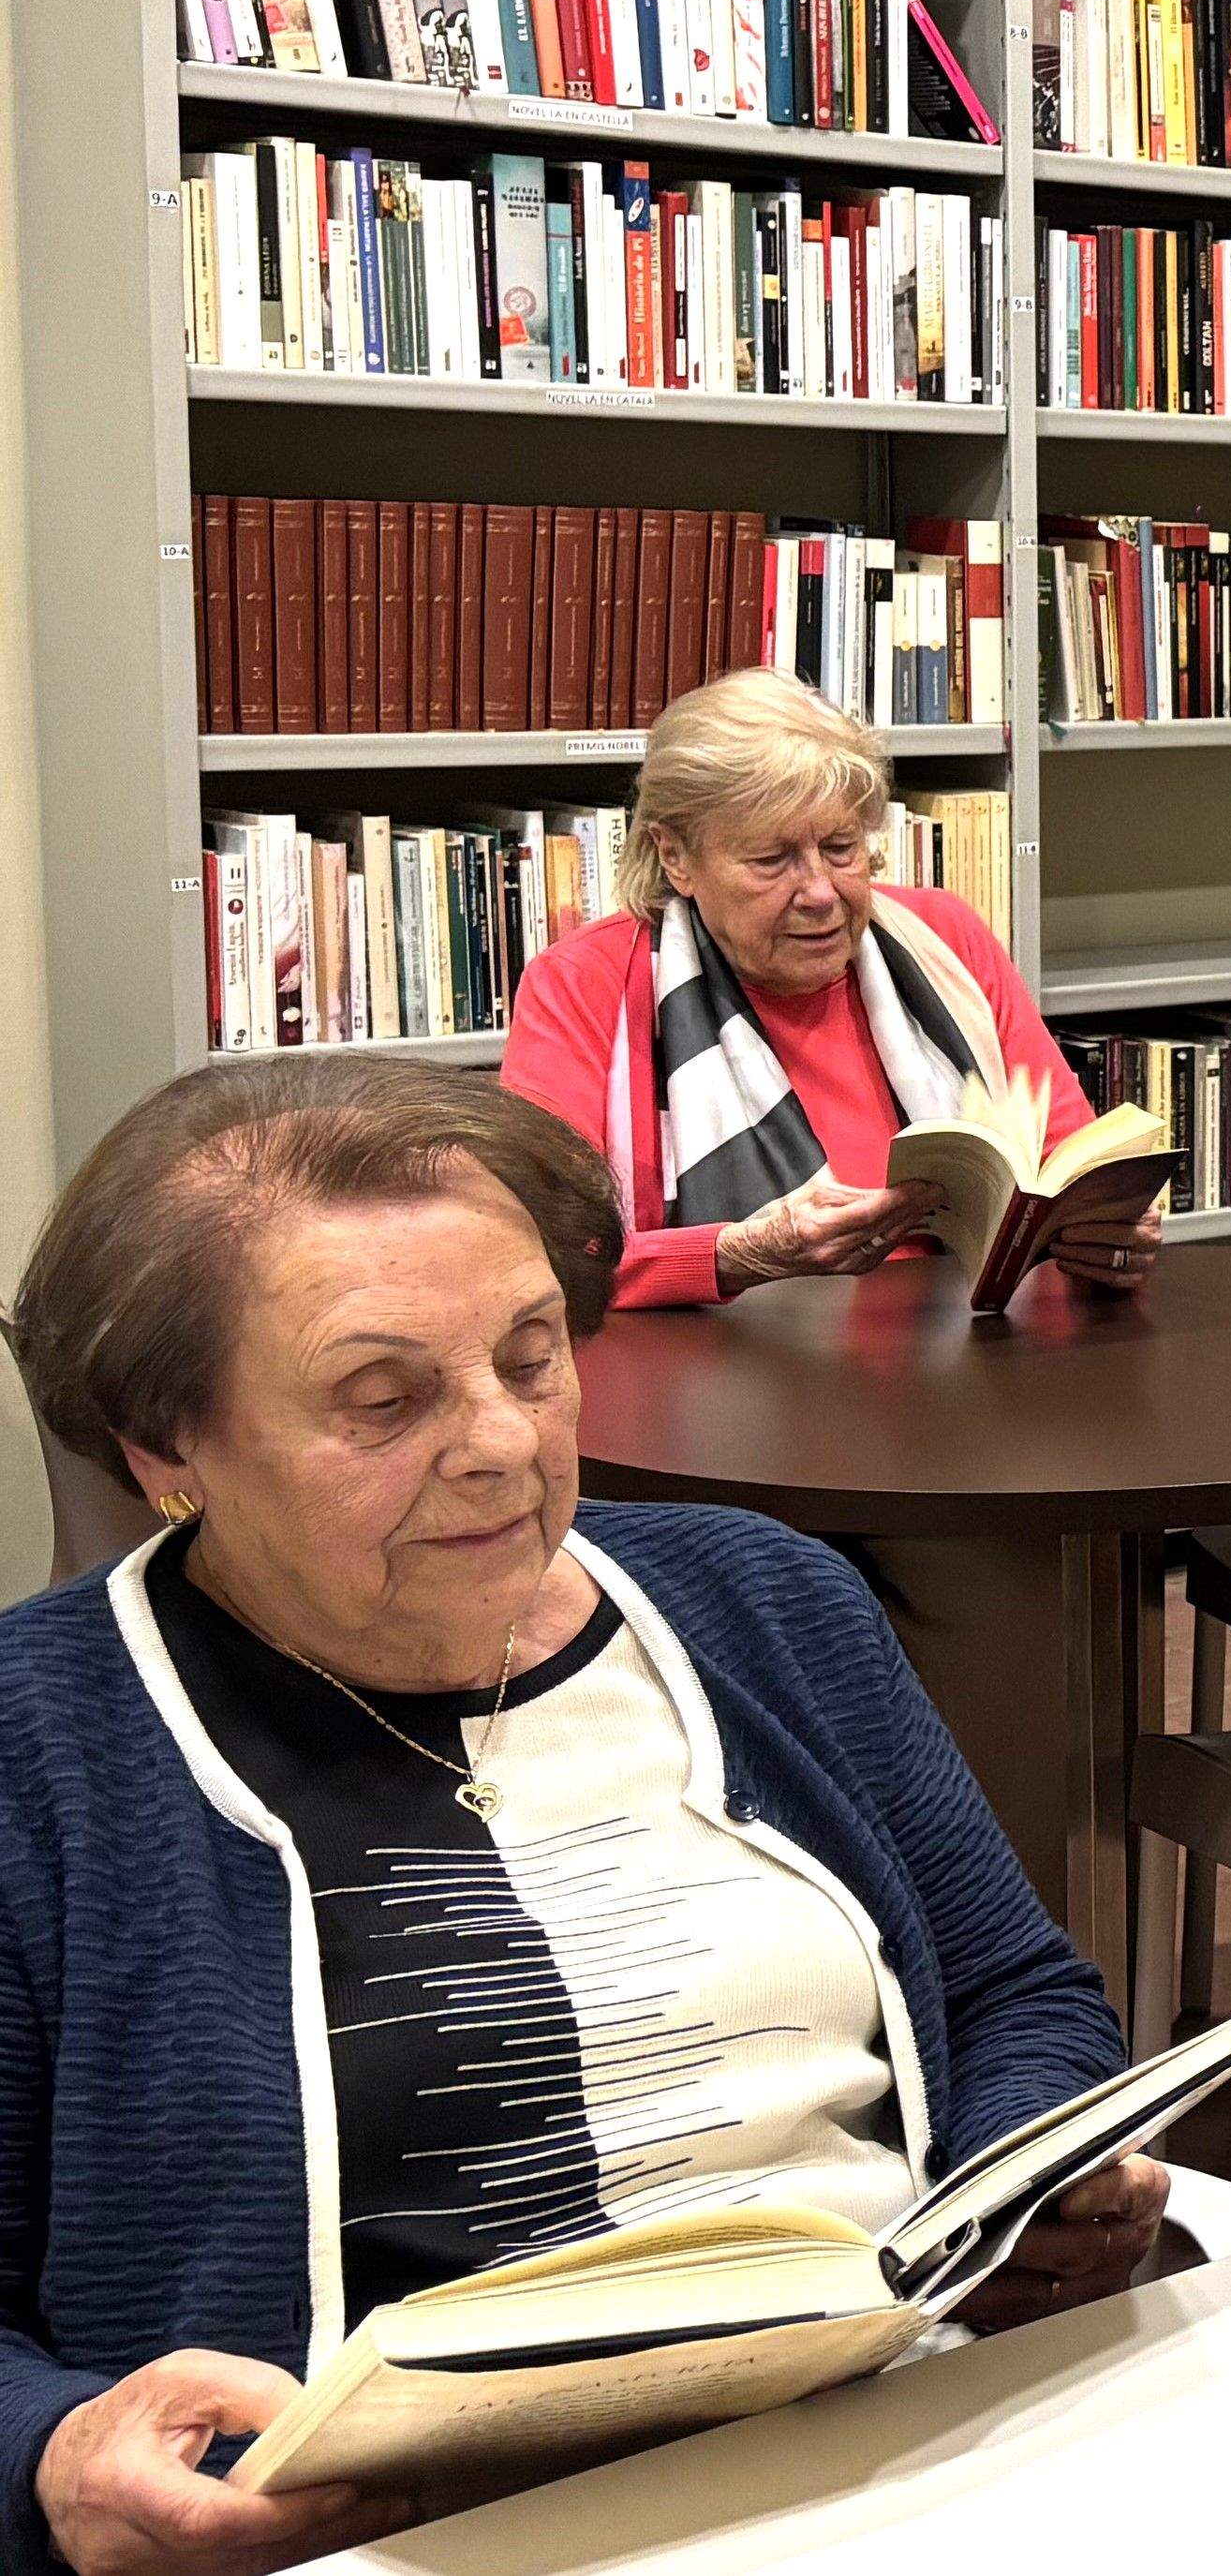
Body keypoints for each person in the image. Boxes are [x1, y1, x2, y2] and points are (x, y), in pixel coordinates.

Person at [0, 1058, 1169, 2576]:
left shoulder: (763, 1597)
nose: (499, 1439)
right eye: (383, 1395)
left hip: (915, 2441)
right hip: (414, 2538)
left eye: (531, 1355)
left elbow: (1013, 1987)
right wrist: (54, 2454)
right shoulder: (42, 1750)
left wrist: (1027, 2174)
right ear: (167, 1452)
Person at [497, 672, 1157, 1310]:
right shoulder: (586, 983)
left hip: (972, 1364)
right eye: (772, 860)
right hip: (715, 1385)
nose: (820, 893)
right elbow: (539, 1251)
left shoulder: (944, 938)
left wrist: (1111, 1230)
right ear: (676, 856)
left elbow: (1065, 1162)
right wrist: (740, 1256)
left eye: (841, 847)